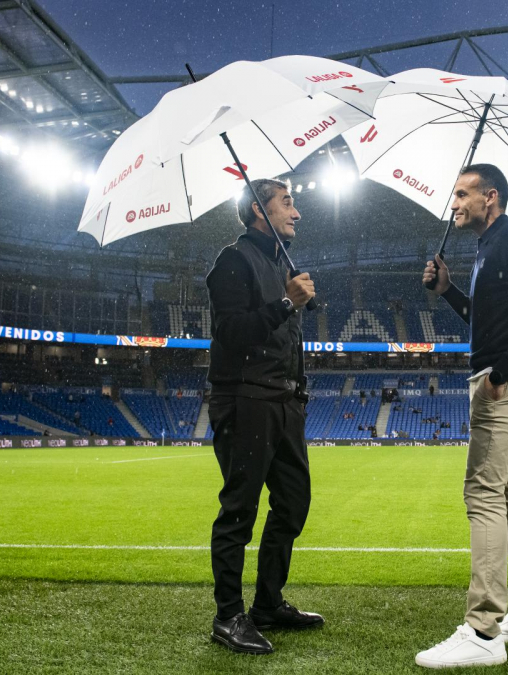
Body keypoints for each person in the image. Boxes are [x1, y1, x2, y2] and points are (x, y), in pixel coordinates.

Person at [417, 164, 508, 668]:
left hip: (507, 384)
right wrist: (449, 291)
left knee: (481, 493)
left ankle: (482, 629)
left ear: (489, 197)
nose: (453, 202)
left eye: (461, 194)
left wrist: (500, 372)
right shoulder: (489, 245)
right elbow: (489, 317)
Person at [205, 177, 322, 656]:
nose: (296, 213)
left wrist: (295, 300)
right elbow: (232, 333)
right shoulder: (232, 261)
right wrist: (285, 303)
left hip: (284, 401)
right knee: (240, 510)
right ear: (259, 209)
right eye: (287, 204)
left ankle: (268, 604)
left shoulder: (279, 262)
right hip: (247, 399)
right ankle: (228, 616)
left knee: (293, 503)